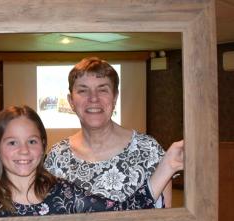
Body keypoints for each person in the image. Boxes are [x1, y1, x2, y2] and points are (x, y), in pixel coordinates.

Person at [0, 106, 183, 219]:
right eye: (12, 142)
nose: (24, 151)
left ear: (43, 145)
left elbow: (122, 213)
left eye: (32, 141)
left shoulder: (62, 193)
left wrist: (167, 166)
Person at [44, 57, 172, 208]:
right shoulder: (57, 158)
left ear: (115, 97)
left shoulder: (149, 151)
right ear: (71, 101)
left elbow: (165, 219)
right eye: (83, 90)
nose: (93, 98)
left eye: (103, 89)